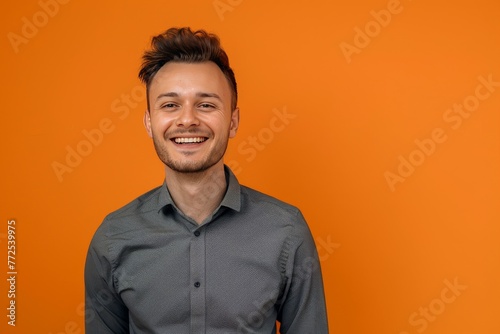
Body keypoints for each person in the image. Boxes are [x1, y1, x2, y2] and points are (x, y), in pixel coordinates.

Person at [84, 27, 328, 334]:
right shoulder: (112, 239)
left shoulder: (286, 232)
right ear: (149, 122)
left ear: (233, 121)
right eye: (170, 105)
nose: (187, 120)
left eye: (206, 104)